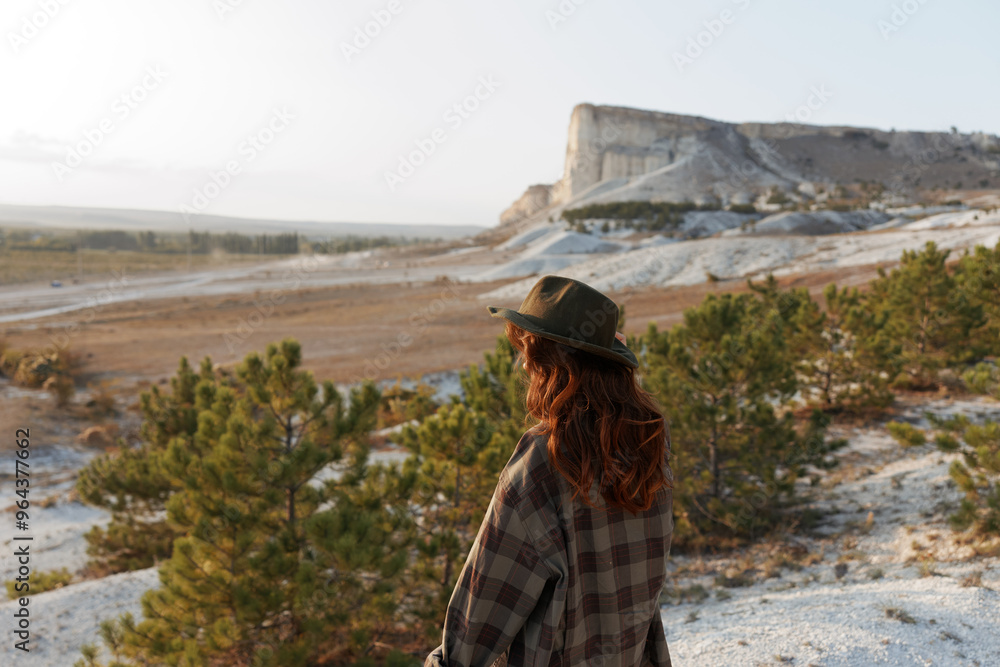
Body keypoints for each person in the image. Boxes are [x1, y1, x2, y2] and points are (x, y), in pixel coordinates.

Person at [424, 275, 674, 667]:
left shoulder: (543, 459)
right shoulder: (651, 441)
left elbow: (482, 615)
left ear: (557, 365)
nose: (523, 363)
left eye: (531, 351)